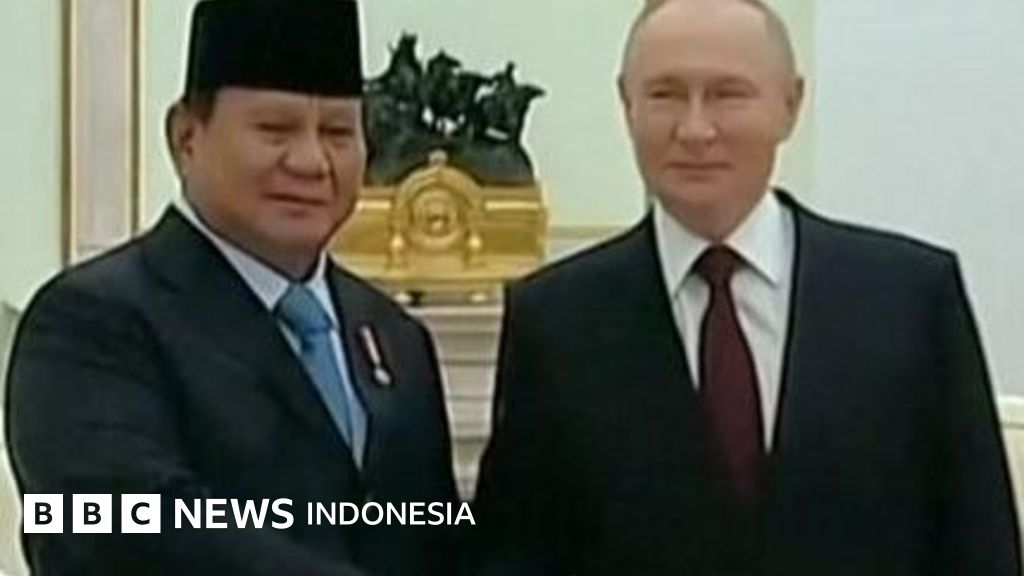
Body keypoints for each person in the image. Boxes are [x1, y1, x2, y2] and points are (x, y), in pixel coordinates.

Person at [472, 0, 1021, 574]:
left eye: (727, 94)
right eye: (665, 94)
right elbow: (513, 548)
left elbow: (980, 543)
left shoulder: (910, 301)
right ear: (626, 105)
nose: (695, 129)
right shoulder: (556, 321)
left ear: (790, 105)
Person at [5, 1, 458, 574]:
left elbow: (433, 532)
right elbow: (115, 521)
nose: (312, 161)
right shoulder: (92, 321)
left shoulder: (394, 337)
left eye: (338, 133)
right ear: (186, 137)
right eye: (275, 130)